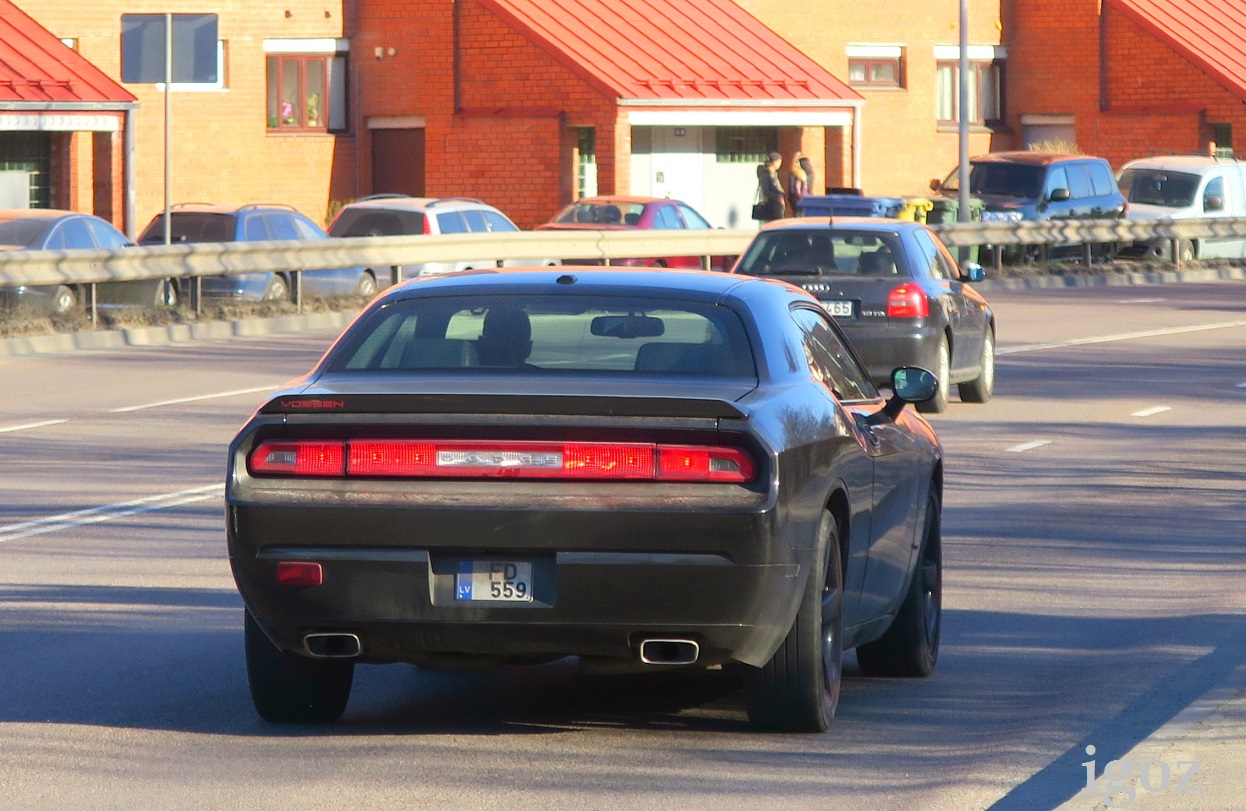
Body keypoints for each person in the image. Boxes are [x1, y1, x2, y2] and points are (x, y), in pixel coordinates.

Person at [755, 152, 786, 222]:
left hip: (778, 205)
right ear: (774, 162)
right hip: (772, 205)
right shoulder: (766, 175)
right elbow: (766, 191)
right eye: (779, 162)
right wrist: (778, 197)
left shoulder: (774, 174)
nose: (780, 164)